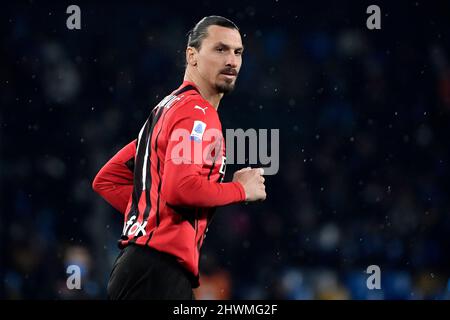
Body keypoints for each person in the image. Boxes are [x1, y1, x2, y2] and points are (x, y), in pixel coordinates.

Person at [92, 15, 266, 300]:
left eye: (238, 52)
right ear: (192, 55)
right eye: (220, 49)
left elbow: (107, 180)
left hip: (140, 268)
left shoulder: (165, 110)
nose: (232, 61)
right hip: (157, 273)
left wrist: (155, 219)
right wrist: (240, 189)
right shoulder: (197, 112)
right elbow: (181, 187)